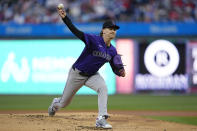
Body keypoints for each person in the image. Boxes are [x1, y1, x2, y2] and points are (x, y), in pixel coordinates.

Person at [48, 5, 126, 129]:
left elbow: (115, 68)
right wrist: (65, 19)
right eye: (110, 28)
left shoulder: (113, 51)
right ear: (103, 30)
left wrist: (120, 72)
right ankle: (55, 103)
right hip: (77, 73)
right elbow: (76, 31)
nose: (113, 31)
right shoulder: (93, 40)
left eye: (115, 29)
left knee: (103, 88)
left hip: (92, 75)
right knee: (64, 103)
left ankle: (101, 119)